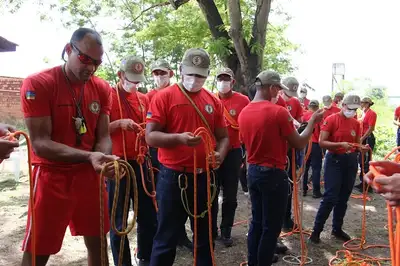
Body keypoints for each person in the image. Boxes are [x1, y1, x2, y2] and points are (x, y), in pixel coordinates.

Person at [20, 28, 118, 266]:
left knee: (98, 242)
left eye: (96, 62)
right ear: (68, 50)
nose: (90, 68)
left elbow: (103, 135)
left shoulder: (102, 88)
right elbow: (41, 144)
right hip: (52, 176)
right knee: (38, 249)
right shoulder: (39, 83)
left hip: (90, 175)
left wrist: (103, 158)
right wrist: (90, 156)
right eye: (85, 59)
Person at [146, 48, 230, 266]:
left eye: (200, 75)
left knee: (205, 238)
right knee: (166, 237)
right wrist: (178, 139)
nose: (194, 79)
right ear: (181, 70)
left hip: (204, 178)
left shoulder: (213, 101)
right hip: (173, 178)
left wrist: (219, 154)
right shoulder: (164, 97)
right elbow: (150, 137)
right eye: (191, 73)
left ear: (207, 74)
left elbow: (223, 137)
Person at [238, 70, 323, 266]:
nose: (279, 94)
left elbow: (250, 140)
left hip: (253, 172)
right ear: (272, 88)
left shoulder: (244, 112)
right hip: (274, 174)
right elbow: (299, 142)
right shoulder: (278, 112)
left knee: (257, 222)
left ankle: (254, 261)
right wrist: (312, 123)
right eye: (278, 90)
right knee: (271, 227)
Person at [108, 56, 157, 266]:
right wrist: (118, 123)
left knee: (148, 214)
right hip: (118, 164)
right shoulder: (108, 97)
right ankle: (122, 262)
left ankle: (144, 256)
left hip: (141, 162)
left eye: (138, 81)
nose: (134, 84)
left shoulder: (143, 98)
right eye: (131, 79)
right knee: (118, 219)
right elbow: (97, 131)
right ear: (120, 75)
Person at [309, 94, 369, 244]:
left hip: (350, 162)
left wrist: (361, 148)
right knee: (330, 197)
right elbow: (322, 142)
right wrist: (340, 145)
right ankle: (316, 231)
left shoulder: (356, 123)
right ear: (343, 105)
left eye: (355, 109)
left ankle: (337, 228)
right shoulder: (332, 119)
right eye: (350, 108)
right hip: (334, 160)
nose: (352, 111)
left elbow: (356, 144)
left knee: (343, 197)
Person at [147, 58, 193, 250]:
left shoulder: (180, 94)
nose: (159, 77)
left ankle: (181, 236)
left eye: (162, 73)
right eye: (156, 74)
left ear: (171, 73)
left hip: (176, 151)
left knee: (178, 198)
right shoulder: (149, 96)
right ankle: (162, 238)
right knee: (160, 197)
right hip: (154, 149)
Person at [213, 67, 250, 247]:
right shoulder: (209, 98)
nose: (223, 82)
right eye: (220, 78)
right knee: (211, 193)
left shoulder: (243, 100)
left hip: (234, 152)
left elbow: (250, 125)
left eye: (226, 79)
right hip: (213, 151)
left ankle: (226, 230)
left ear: (232, 81)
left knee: (230, 195)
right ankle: (211, 230)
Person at [280, 76, 303, 231]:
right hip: (276, 150)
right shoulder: (275, 100)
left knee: (289, 185)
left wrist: (299, 125)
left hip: (290, 150)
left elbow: (299, 118)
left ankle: (286, 219)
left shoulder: (295, 102)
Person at [354, 97, 377, 192]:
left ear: (367, 104)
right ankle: (362, 181)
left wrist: (362, 139)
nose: (360, 105)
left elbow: (371, 128)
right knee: (361, 160)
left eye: (362, 103)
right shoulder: (363, 113)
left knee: (366, 160)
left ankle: (367, 185)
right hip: (362, 137)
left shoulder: (372, 113)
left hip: (367, 138)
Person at [302, 100, 323, 198]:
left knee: (305, 168)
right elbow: (321, 131)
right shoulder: (318, 116)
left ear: (309, 106)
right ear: (317, 107)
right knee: (316, 168)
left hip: (304, 143)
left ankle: (304, 190)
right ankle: (316, 191)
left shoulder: (304, 115)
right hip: (315, 144)